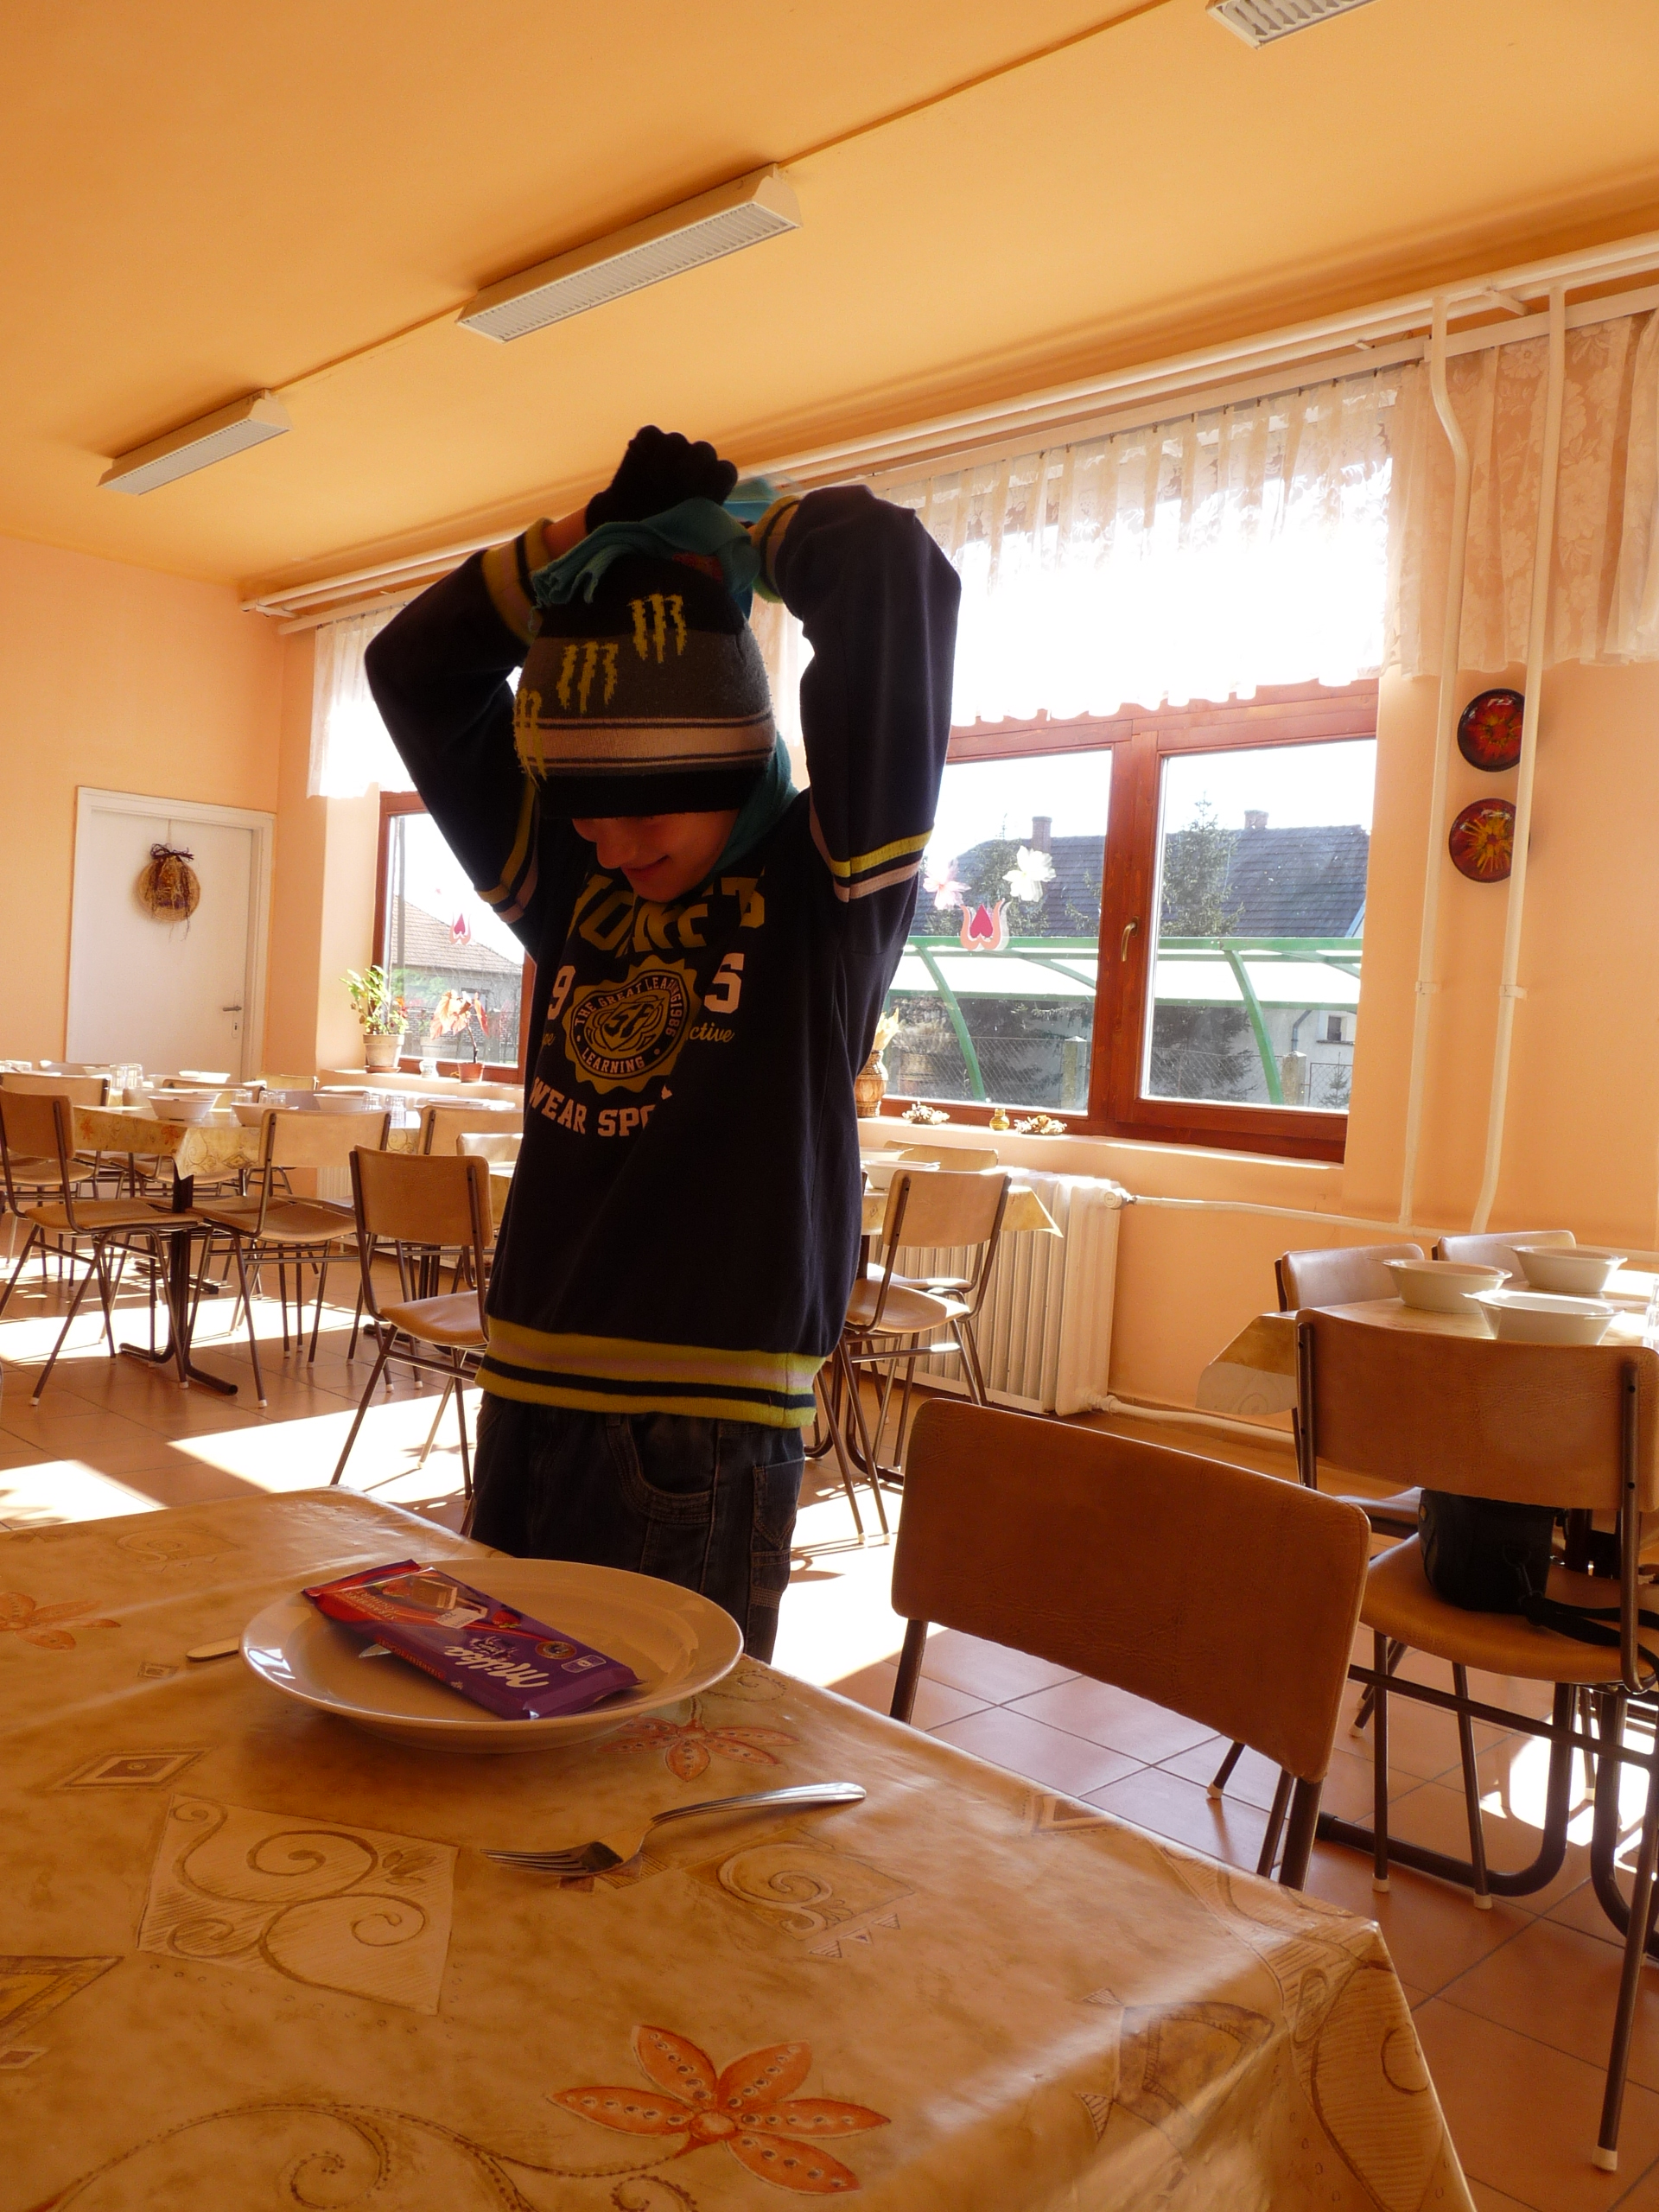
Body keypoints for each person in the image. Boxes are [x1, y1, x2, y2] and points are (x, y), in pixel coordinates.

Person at [365, 427, 959, 1661]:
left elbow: (890, 572)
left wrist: (738, 532)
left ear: (731, 751)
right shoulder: (571, 880)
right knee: (510, 1714)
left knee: (655, 1755)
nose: (616, 845)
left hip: (701, 1425)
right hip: (525, 1384)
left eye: (648, 807)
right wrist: (578, 544)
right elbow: (412, 670)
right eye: (584, 811)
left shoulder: (827, 885)